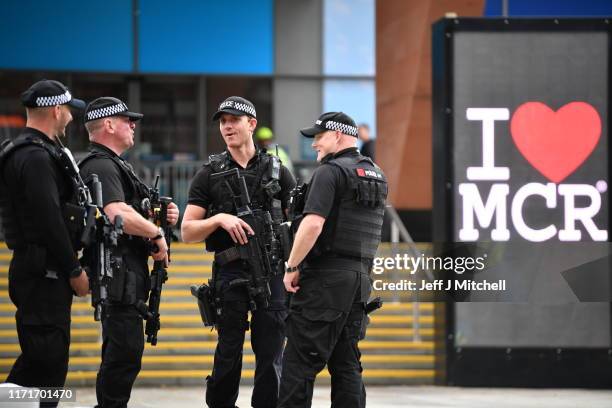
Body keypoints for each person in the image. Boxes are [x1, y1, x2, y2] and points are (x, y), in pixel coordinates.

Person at [182, 96, 296, 408]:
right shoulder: (208, 173)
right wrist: (218, 219)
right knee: (228, 351)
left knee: (271, 353)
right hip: (230, 274)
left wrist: (296, 268)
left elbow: (296, 225)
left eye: (234, 120)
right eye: (222, 121)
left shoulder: (279, 172)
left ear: (252, 124)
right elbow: (187, 230)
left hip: (272, 272)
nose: (227, 126)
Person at [279, 112, 388, 407]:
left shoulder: (330, 172)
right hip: (359, 282)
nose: (314, 144)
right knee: (347, 364)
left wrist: (292, 266)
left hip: (325, 280)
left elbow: (313, 224)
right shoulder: (375, 174)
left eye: (318, 136)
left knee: (299, 363)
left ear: (337, 135)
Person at [79, 97, 179, 408]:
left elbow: (133, 210)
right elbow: (115, 212)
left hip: (130, 278)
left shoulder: (117, 165)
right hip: (118, 278)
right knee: (121, 359)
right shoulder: (101, 164)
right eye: (127, 120)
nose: (133, 125)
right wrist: (156, 232)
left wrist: (160, 214)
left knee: (126, 357)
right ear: (108, 125)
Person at [0, 79, 90, 404]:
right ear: (56, 109)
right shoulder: (34, 157)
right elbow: (49, 219)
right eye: (68, 110)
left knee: (45, 365)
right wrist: (74, 269)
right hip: (42, 274)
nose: (70, 116)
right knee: (44, 364)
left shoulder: (36, 151)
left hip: (42, 273)